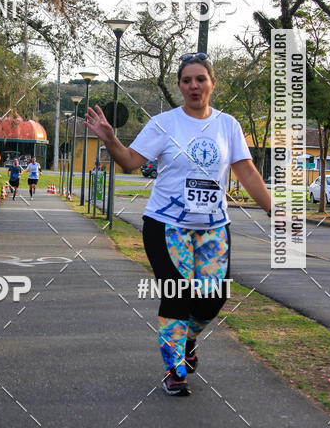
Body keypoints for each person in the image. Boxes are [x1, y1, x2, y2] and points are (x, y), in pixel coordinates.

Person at [85, 52, 272, 397]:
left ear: (212, 83)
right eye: (186, 80)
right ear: (180, 86)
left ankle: (188, 341)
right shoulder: (164, 124)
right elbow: (129, 162)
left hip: (214, 227)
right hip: (166, 224)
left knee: (213, 298)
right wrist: (111, 139)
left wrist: (274, 209)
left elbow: (245, 170)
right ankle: (174, 369)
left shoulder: (227, 125)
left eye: (200, 79)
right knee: (177, 293)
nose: (194, 86)